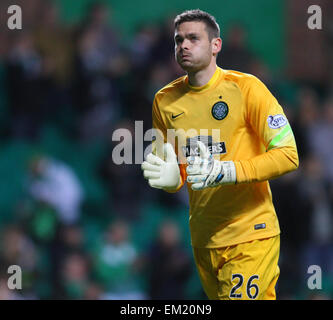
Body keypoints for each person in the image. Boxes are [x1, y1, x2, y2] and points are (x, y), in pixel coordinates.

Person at [141, 9, 299, 300]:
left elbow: (288, 154)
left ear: (216, 45)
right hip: (204, 238)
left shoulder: (247, 89)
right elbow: (178, 170)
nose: (183, 46)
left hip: (250, 233)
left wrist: (228, 171)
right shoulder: (164, 101)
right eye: (178, 40)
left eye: (193, 38)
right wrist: (172, 178)